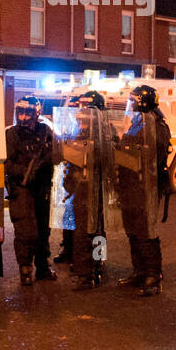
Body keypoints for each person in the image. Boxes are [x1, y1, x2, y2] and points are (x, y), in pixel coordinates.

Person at [115, 84, 171, 296]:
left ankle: (153, 275)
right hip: (132, 184)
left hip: (146, 184)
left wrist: (124, 150)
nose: (129, 105)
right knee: (133, 230)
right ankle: (139, 271)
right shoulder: (138, 123)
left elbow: (149, 156)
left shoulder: (156, 126)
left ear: (142, 103)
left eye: (132, 101)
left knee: (146, 230)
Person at [59, 90, 116, 290]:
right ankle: (91, 266)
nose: (80, 111)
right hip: (81, 189)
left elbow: (108, 160)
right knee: (90, 231)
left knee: (92, 231)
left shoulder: (105, 133)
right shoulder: (79, 129)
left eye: (85, 107)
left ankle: (90, 271)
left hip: (95, 189)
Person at [4, 96, 60, 286]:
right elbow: (7, 164)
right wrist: (25, 171)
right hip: (21, 189)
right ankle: (25, 269)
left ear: (35, 113)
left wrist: (44, 164)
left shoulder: (45, 131)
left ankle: (43, 268)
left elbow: (56, 154)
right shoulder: (11, 134)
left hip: (42, 188)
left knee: (43, 230)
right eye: (20, 112)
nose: (22, 116)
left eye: (26, 113)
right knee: (26, 232)